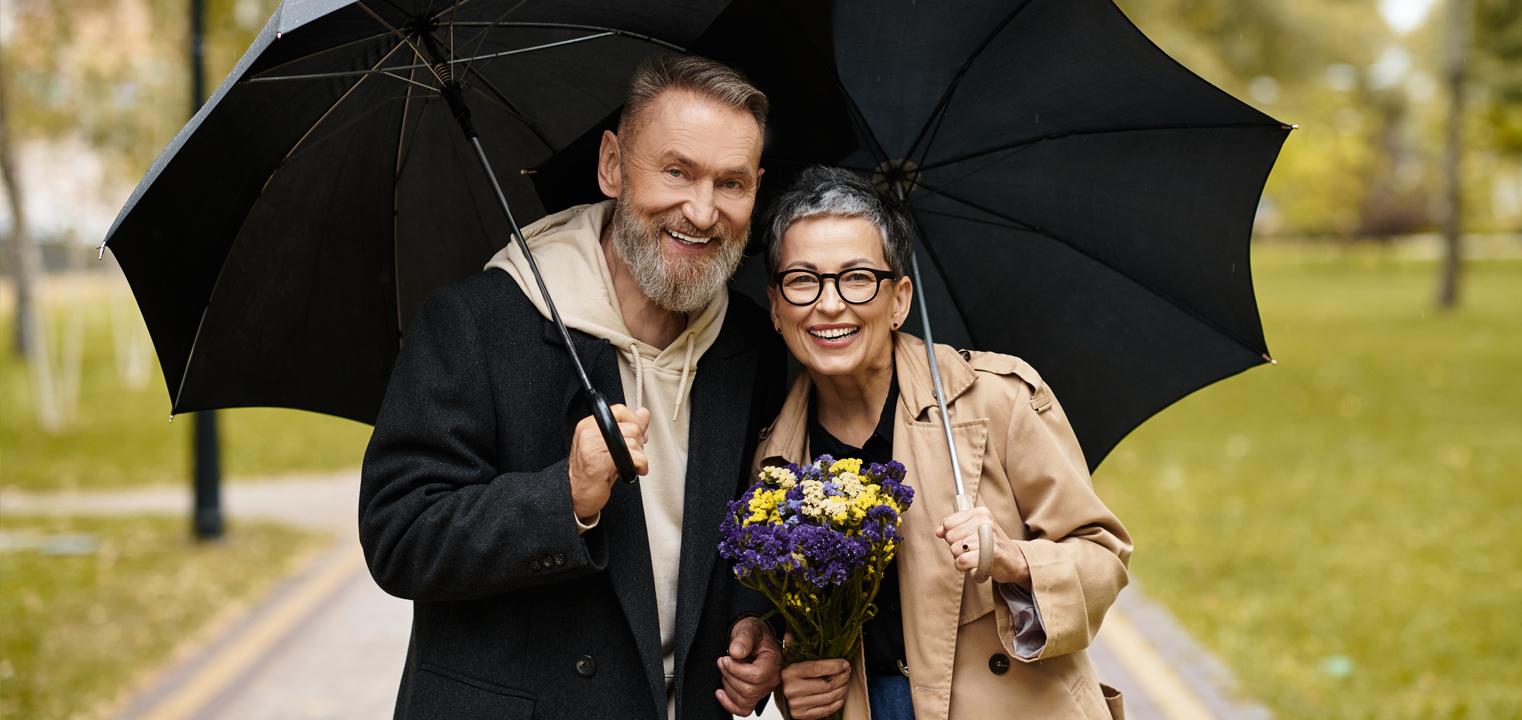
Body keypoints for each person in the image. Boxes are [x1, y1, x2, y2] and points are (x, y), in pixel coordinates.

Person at [359, 55, 787, 720]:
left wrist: (762, 626)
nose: (702, 211)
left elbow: (734, 543)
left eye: (730, 183)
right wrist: (564, 497)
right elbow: (401, 536)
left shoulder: (753, 344)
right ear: (612, 165)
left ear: (756, 189)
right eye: (676, 171)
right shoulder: (476, 322)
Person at [755, 166, 1132, 720]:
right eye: (802, 280)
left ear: (899, 299)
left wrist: (1014, 560)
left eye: (857, 277)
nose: (830, 304)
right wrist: (795, 673)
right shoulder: (773, 459)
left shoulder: (997, 401)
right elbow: (783, 619)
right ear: (775, 305)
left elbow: (1103, 557)